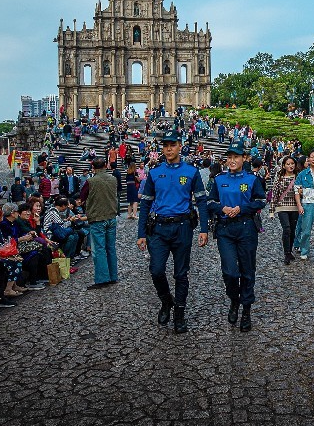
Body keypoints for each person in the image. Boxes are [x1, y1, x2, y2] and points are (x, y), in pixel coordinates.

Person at [136, 131, 210, 334]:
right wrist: (141, 233)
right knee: (156, 270)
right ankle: (166, 300)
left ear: (180, 146)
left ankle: (179, 313)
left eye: (172, 145)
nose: (168, 149)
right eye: (165, 145)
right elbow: (145, 204)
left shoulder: (191, 172)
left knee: (181, 274)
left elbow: (201, 201)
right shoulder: (154, 173)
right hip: (158, 228)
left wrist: (204, 229)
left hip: (182, 227)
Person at [208, 142, 267, 332]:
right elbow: (210, 201)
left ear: (244, 158)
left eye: (236, 157)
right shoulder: (219, 179)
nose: (232, 160)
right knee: (230, 271)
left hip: (246, 227)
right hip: (225, 229)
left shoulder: (252, 179)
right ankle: (234, 299)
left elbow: (261, 201)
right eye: (229, 157)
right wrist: (222, 208)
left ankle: (246, 309)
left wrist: (242, 208)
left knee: (247, 270)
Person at [80, 158, 122, 290]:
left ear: (93, 167)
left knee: (99, 249)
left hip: (97, 217)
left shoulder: (91, 181)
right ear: (105, 166)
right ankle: (113, 275)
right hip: (111, 216)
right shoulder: (113, 179)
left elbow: (82, 196)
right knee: (110, 248)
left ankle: (102, 278)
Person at [270, 156, 300, 265]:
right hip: (282, 206)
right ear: (283, 166)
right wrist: (272, 210)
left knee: (292, 230)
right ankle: (286, 253)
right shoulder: (279, 178)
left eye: (292, 163)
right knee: (286, 228)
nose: (290, 166)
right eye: (288, 164)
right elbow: (274, 194)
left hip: (295, 207)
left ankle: (289, 250)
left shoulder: (298, 177)